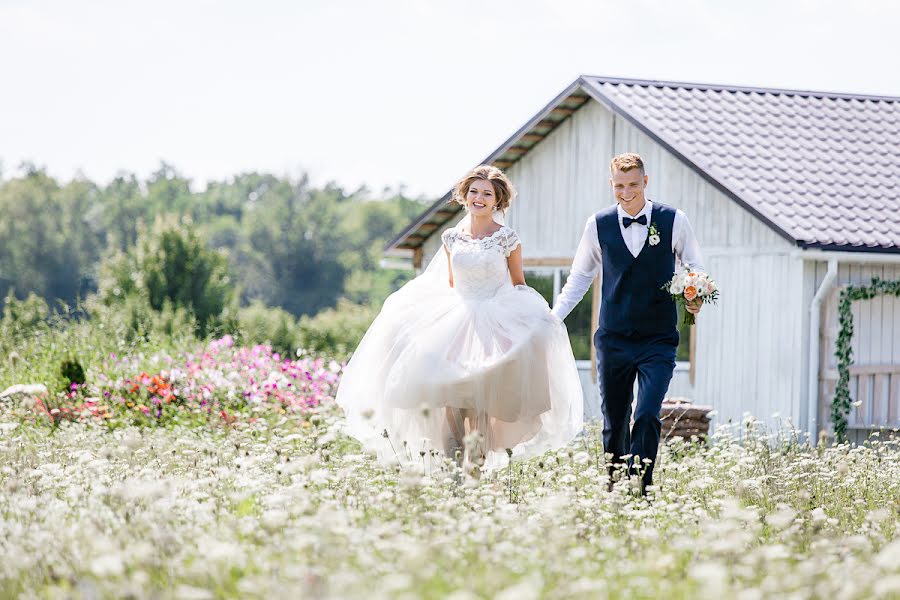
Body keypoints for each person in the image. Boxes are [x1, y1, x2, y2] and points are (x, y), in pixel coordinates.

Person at [337, 165, 583, 475]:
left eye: (487, 193)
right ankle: (453, 475)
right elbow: (453, 283)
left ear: (497, 201)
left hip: (494, 320)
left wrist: (534, 319)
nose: (479, 198)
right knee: (450, 401)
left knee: (479, 406)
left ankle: (475, 474)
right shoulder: (451, 237)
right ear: (465, 196)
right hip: (458, 319)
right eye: (474, 192)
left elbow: (518, 283)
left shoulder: (507, 238)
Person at [552, 153, 704, 494]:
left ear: (645, 182)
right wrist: (552, 319)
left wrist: (694, 295)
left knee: (648, 413)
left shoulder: (673, 220)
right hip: (614, 338)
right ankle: (614, 487)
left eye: (633, 184)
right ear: (611, 185)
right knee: (615, 421)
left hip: (659, 339)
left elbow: (695, 266)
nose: (626, 192)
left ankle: (641, 487)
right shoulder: (597, 224)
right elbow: (579, 278)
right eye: (619, 186)